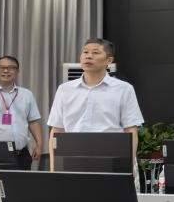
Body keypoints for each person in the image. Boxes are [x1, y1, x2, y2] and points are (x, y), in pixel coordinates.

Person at [46, 38, 143, 172]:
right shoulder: (65, 89)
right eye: (85, 52)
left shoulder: (124, 89)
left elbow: (130, 130)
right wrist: (53, 168)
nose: (89, 56)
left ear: (109, 60)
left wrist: (128, 167)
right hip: (72, 156)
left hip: (111, 156)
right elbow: (57, 130)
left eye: (95, 52)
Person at [0, 55, 42, 169]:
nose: (6, 70)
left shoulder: (27, 94)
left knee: (22, 181)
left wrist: (39, 144)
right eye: (2, 67)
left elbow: (33, 121)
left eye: (11, 67)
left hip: (21, 154)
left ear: (17, 71)